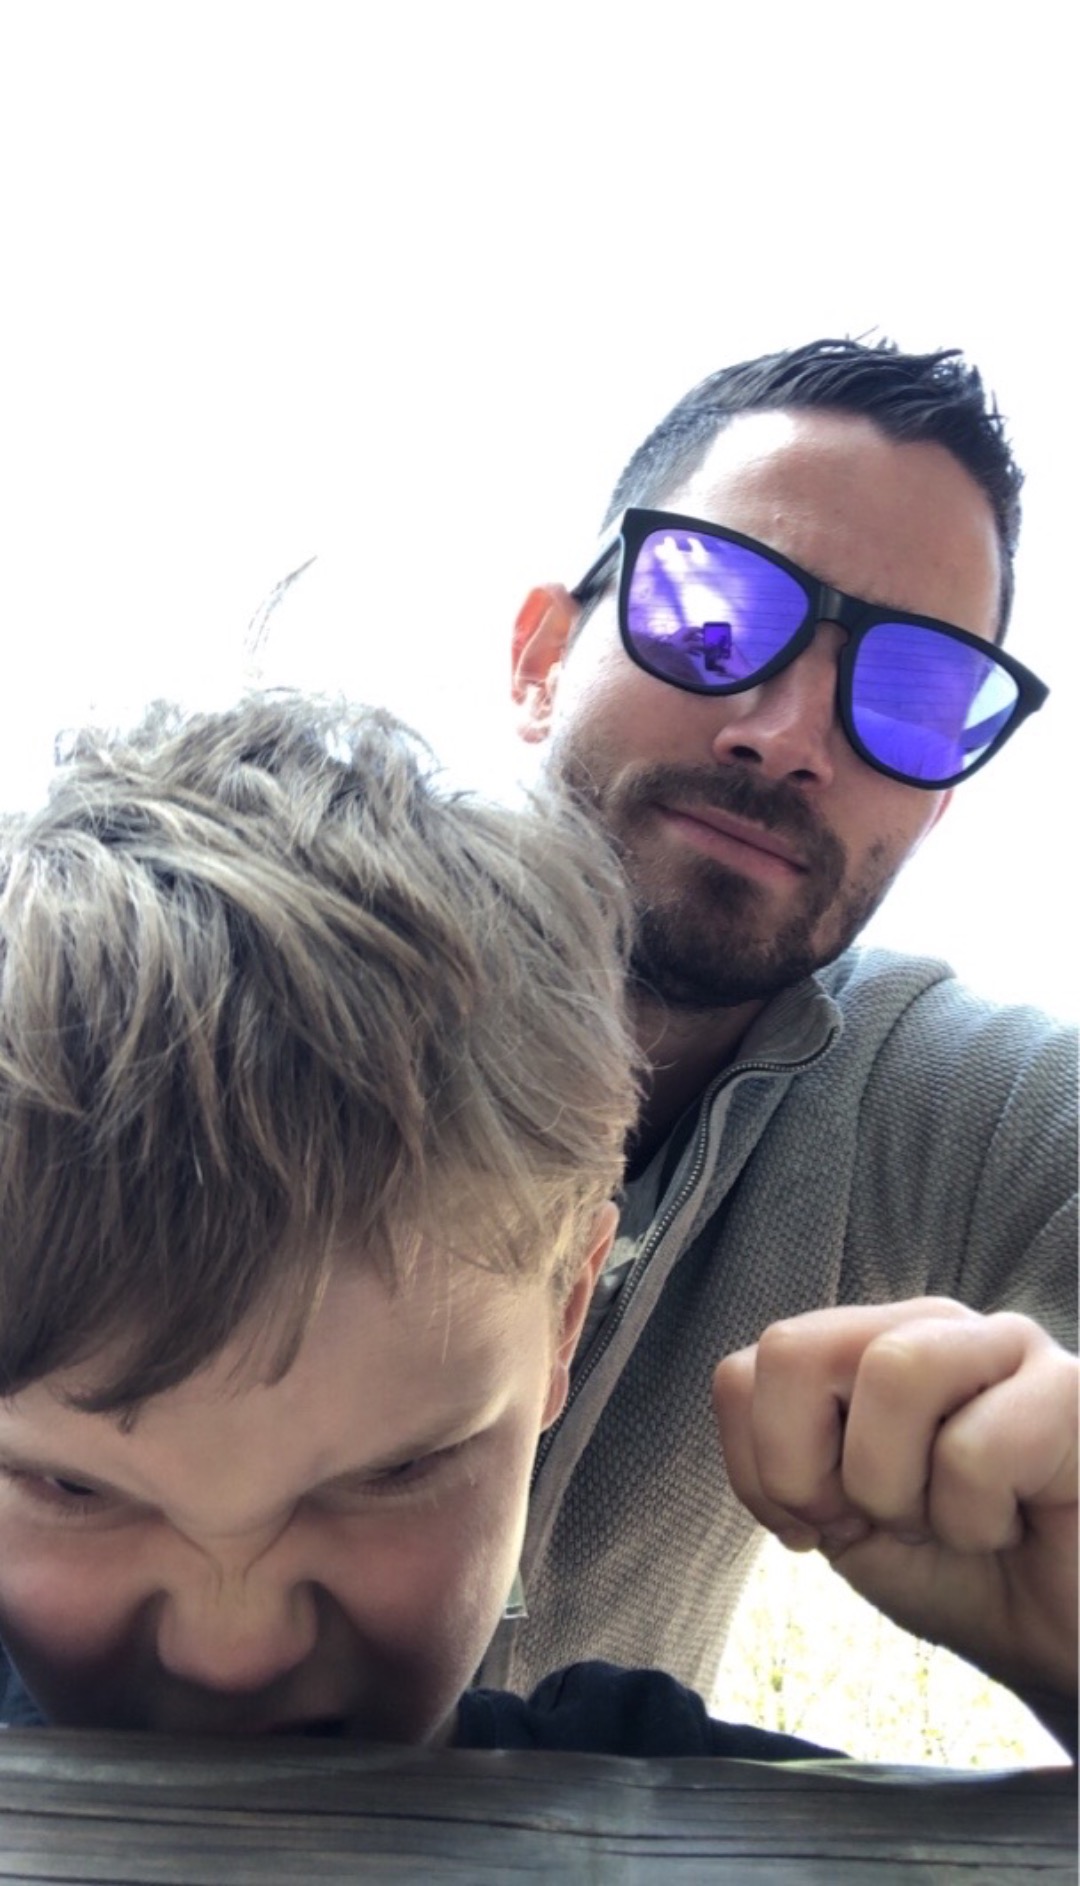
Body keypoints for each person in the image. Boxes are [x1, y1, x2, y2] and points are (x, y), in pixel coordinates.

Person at [0, 694, 1073, 1760]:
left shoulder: (654, 1793)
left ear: (567, 1319)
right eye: (73, 1488)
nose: (235, 1650)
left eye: (394, 1473)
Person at [487, 336, 1078, 1705]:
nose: (793, 735)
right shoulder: (207, 977)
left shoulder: (940, 1102)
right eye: (713, 612)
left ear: (937, 806)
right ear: (540, 658)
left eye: (913, 697)